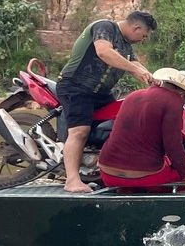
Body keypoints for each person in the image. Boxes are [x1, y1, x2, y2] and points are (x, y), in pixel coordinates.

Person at [57, 10, 157, 193]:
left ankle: (101, 168)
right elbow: (104, 52)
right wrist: (135, 71)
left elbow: (137, 65)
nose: (143, 40)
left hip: (101, 93)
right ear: (136, 27)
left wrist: (154, 80)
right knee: (80, 131)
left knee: (119, 123)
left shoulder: (126, 46)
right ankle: (71, 180)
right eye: (143, 35)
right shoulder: (105, 27)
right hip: (77, 87)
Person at [97, 68, 185, 192]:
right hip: (144, 176)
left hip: (107, 172)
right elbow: (173, 146)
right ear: (184, 94)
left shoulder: (133, 95)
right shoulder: (174, 101)